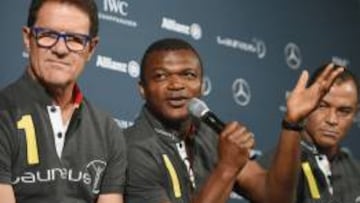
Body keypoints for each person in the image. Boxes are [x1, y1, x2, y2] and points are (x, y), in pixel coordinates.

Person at [124, 38, 344, 203]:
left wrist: (293, 123)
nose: (176, 85)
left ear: (202, 85)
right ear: (142, 89)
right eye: (161, 76)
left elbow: (275, 197)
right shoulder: (132, 147)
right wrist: (227, 167)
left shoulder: (208, 134)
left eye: (188, 75)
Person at [0, 0, 126, 202]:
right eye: (48, 35)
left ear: (91, 49)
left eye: (75, 39)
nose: (60, 49)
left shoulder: (108, 130)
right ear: (27, 38)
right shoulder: (3, 114)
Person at [260, 63, 360, 203]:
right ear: (308, 104)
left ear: (356, 114)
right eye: (322, 106)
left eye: (344, 111)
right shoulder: (274, 165)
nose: (332, 120)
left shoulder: (356, 172)